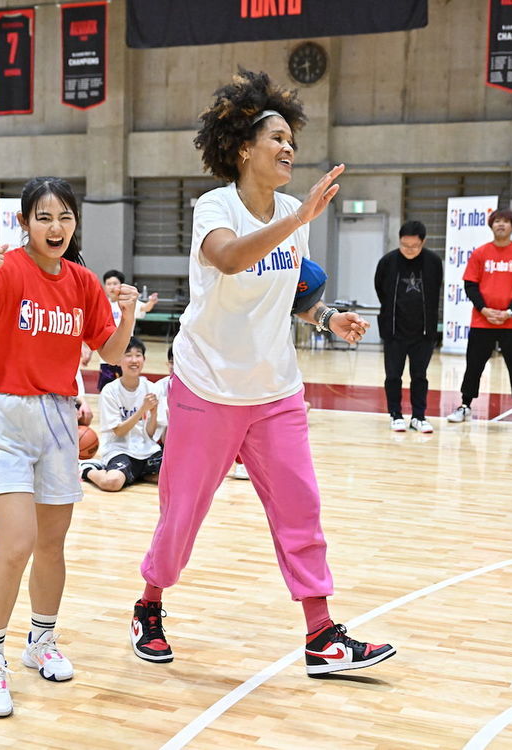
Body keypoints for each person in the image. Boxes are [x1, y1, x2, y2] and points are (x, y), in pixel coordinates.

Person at [131, 69, 395, 677]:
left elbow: (290, 293)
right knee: (181, 518)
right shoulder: (216, 207)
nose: (288, 150)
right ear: (245, 149)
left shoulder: (289, 216)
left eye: (292, 143)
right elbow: (229, 258)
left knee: (302, 509)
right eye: (276, 139)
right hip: (205, 387)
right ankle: (149, 604)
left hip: (275, 389)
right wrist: (299, 219)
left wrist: (327, 316)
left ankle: (322, 633)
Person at [0, 176, 136, 717]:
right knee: (17, 543)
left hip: (57, 417)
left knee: (52, 543)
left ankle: (41, 642)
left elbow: (112, 351)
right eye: (44, 217)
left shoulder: (81, 280)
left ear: (75, 223)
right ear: (24, 222)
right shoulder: (4, 271)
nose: (56, 227)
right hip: (5, 416)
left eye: (65, 217)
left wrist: (130, 311)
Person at [445, 209, 512, 427]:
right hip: (482, 321)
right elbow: (470, 285)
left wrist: (510, 312)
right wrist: (484, 309)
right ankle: (465, 405)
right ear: (491, 225)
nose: (501, 225)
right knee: (474, 365)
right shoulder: (480, 253)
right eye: (497, 221)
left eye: (506, 222)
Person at [374, 220, 443, 433]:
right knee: (393, 375)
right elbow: (380, 289)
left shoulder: (432, 262)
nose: (409, 250)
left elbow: (434, 292)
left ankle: (419, 416)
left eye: (414, 246)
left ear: (423, 242)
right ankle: (395, 414)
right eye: (404, 245)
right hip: (394, 331)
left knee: (419, 376)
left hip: (423, 333)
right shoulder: (388, 262)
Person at [79, 337, 162, 491]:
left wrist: (154, 412)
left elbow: (150, 435)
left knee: (171, 478)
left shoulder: (152, 388)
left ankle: (139, 473)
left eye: (138, 355)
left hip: (146, 449)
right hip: (119, 448)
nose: (134, 359)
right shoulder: (110, 391)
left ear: (144, 359)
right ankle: (87, 468)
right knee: (112, 483)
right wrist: (142, 410)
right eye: (128, 355)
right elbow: (118, 431)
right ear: (118, 361)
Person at [97, 270, 158, 390]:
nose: (112, 287)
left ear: (121, 285)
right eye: (108, 284)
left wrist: (151, 302)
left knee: (125, 385)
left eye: (115, 283)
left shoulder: (128, 302)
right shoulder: (102, 304)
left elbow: (145, 308)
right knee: (106, 386)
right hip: (106, 349)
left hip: (125, 349)